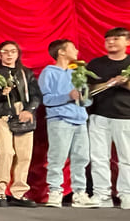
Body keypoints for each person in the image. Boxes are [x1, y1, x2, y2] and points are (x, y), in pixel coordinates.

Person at [86, 27, 130, 210]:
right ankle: (101, 194)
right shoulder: (96, 64)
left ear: (128, 42)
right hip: (99, 115)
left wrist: (127, 83)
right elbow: (87, 89)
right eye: (108, 39)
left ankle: (128, 195)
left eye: (116, 39)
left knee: (128, 157)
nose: (111, 42)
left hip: (127, 116)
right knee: (98, 157)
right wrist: (107, 84)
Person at [0, 41, 41, 208]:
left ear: (17, 54)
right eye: (5, 52)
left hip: (23, 114)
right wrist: (0, 94)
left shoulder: (26, 73)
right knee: (6, 152)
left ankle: (19, 192)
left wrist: (29, 110)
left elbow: (36, 95)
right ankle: (0, 190)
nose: (9, 54)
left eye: (12, 51)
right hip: (2, 116)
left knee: (24, 155)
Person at [39, 39, 97, 208]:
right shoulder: (48, 72)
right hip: (59, 120)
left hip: (80, 120)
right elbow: (46, 99)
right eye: (72, 48)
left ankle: (79, 193)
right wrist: (68, 96)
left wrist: (84, 98)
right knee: (57, 157)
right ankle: (55, 191)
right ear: (61, 52)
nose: (77, 50)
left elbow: (87, 100)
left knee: (82, 157)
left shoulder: (77, 72)